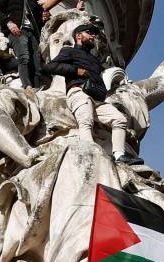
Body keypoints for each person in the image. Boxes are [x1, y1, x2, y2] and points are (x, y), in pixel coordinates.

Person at [43, 22, 131, 163]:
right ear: (78, 36)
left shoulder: (95, 60)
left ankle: (120, 155)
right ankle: (91, 156)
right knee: (86, 122)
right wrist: (75, 70)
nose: (93, 36)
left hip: (97, 98)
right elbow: (49, 67)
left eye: (94, 34)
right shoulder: (69, 51)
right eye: (89, 33)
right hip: (79, 91)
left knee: (120, 119)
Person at [0, 0, 85, 89]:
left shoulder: (32, 0)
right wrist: (9, 22)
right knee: (24, 56)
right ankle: (27, 87)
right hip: (17, 31)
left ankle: (35, 88)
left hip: (32, 34)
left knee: (37, 64)